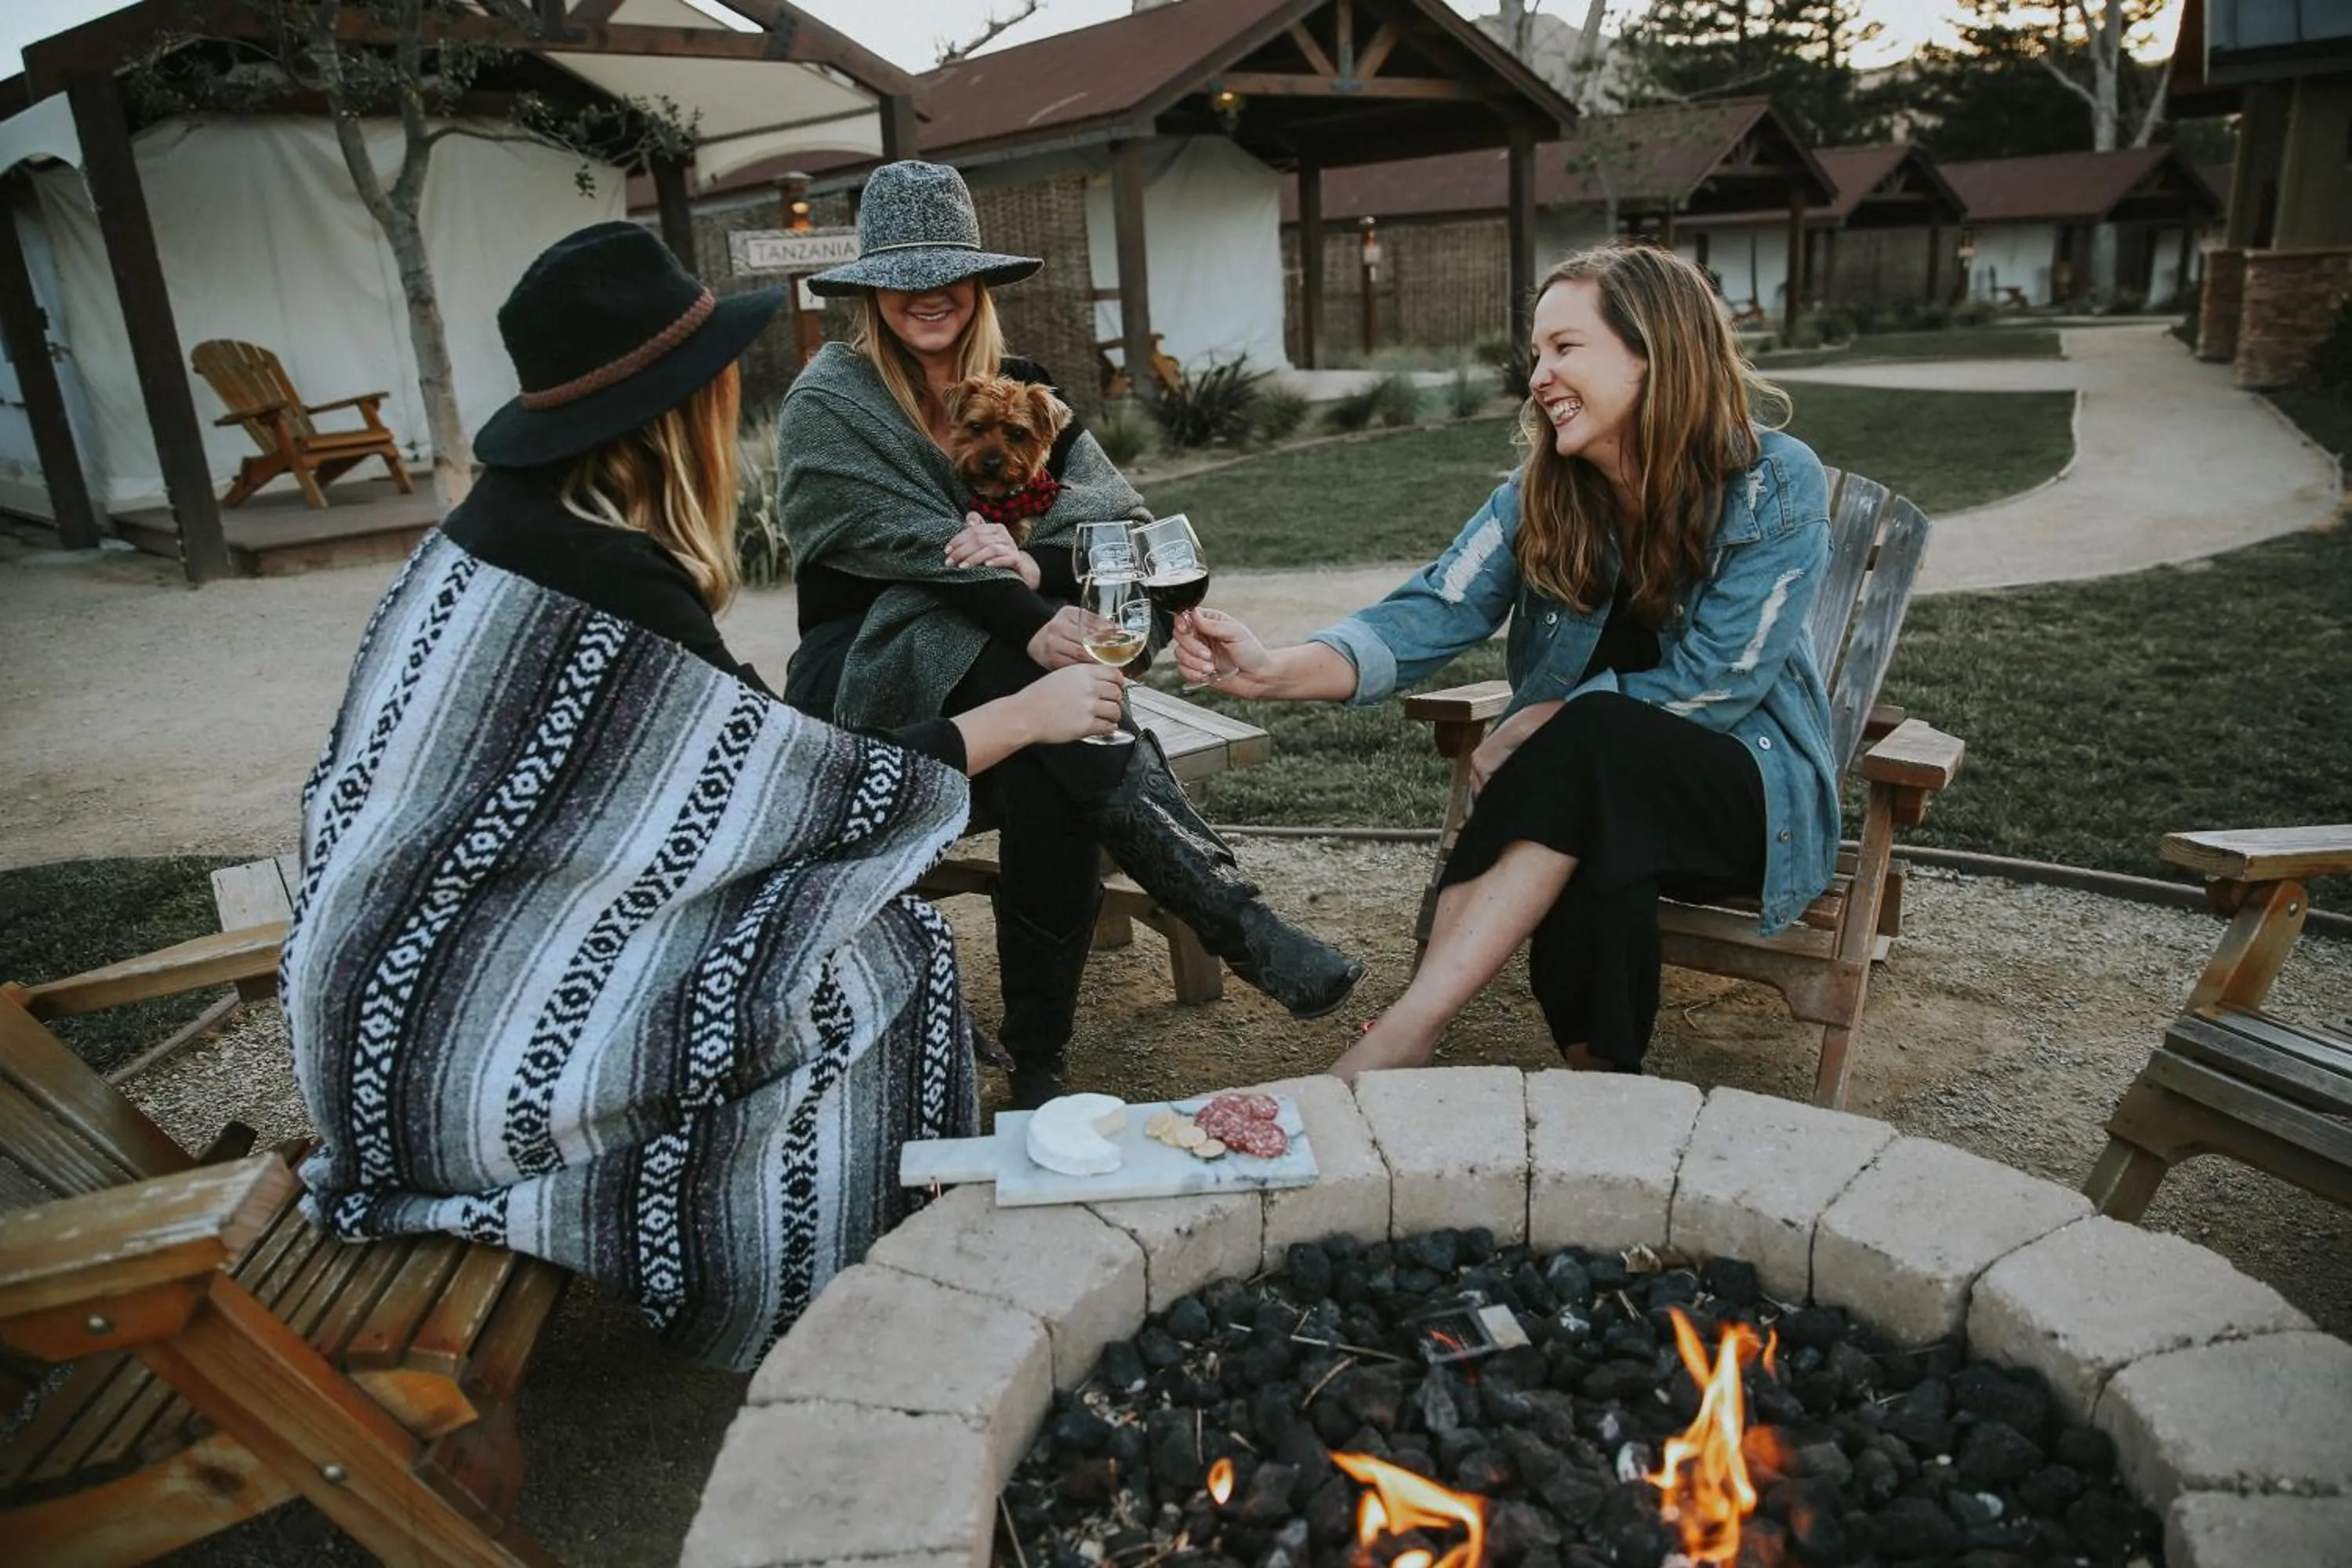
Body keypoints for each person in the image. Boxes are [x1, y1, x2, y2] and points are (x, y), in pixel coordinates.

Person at [281, 222, 1120, 1371]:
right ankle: (850, 1303)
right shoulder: (610, 574)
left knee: (847, 936)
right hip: (455, 1055)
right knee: (887, 962)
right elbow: (794, 791)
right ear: (681, 410)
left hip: (384, 1007)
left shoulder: (494, 531)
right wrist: (1026, 715)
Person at [1174, 243, 1839, 1083]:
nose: (1539, 375)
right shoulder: (1540, 495)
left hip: (1744, 801)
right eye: (1536, 353)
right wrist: (1271, 668)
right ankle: (1602, 1073)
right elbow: (1429, 611)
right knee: (1596, 804)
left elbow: (1724, 675)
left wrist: (1543, 716)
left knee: (1589, 737)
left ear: (1656, 352)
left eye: (1566, 347)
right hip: (1595, 792)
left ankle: (1410, 1028)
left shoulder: (1771, 481)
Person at [777, 160, 1362, 1109]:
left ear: (977, 282)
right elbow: (897, 542)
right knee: (1050, 700)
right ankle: (1228, 912)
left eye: (948, 272)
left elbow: (1121, 523)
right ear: (872, 287)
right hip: (866, 670)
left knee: (1056, 762)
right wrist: (1038, 624)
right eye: (905, 275)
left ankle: (1040, 1056)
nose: (928, 294)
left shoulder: (1026, 389)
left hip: (1012, 661)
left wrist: (1035, 575)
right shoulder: (832, 402)